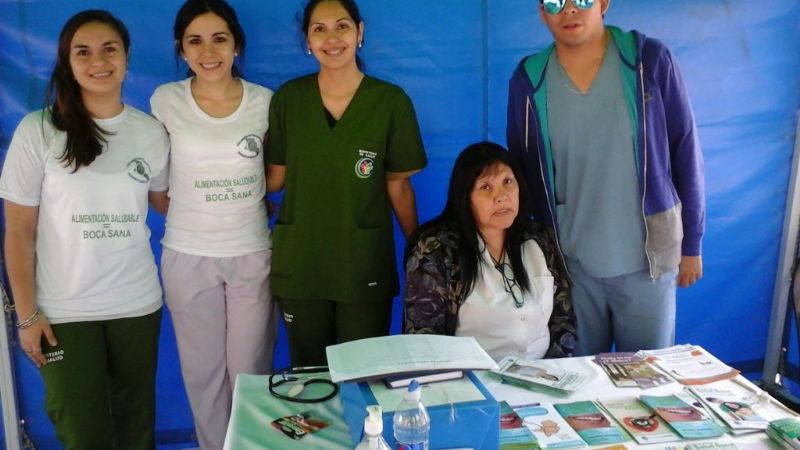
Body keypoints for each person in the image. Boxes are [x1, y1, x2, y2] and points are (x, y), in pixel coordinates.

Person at [0, 10, 168, 448]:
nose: (99, 61)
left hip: (136, 304)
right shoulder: (37, 132)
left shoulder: (149, 133)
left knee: (136, 429)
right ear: (67, 62)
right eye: (83, 52)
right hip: (62, 312)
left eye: (109, 48)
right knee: (84, 433)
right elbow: (18, 231)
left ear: (127, 57)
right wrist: (27, 314)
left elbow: (168, 203)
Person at [506, 0, 705, 356]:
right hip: (571, 268)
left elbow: (685, 149)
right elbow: (521, 172)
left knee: (647, 382)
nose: (568, 10)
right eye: (554, 1)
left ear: (603, 4)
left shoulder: (649, 61)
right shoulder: (529, 79)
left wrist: (692, 243)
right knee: (577, 384)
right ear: (541, 12)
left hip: (647, 266)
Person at [266, 0, 427, 366]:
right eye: (318, 29)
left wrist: (419, 247)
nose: (331, 37)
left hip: (362, 264)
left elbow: (398, 186)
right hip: (301, 265)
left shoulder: (389, 102)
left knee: (364, 377)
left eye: (341, 25)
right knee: (309, 380)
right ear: (307, 40)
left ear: (360, 32)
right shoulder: (289, 100)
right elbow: (275, 180)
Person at [149, 0, 277, 448]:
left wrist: (240, 212)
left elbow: (273, 175)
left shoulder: (264, 102)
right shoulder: (166, 99)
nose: (208, 51)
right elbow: (160, 187)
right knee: (202, 373)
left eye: (219, 38)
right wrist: (201, 219)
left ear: (236, 45)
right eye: (195, 40)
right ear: (181, 49)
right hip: (187, 254)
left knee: (250, 370)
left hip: (251, 251)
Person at [404, 142, 575, 361]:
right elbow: (424, 338)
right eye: (485, 187)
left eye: (508, 182)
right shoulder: (436, 249)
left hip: (541, 377)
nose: (501, 196)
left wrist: (552, 374)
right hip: (471, 381)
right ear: (465, 197)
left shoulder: (538, 237)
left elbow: (564, 317)